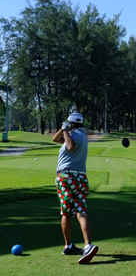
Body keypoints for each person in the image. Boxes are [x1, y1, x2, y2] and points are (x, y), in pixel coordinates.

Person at [52, 112, 98, 264]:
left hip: (66, 178)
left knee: (65, 212)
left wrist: (66, 130)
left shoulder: (74, 136)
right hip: (80, 178)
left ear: (71, 124)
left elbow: (70, 146)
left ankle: (68, 245)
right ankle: (87, 245)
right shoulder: (82, 135)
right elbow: (55, 139)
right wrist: (64, 129)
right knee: (81, 211)